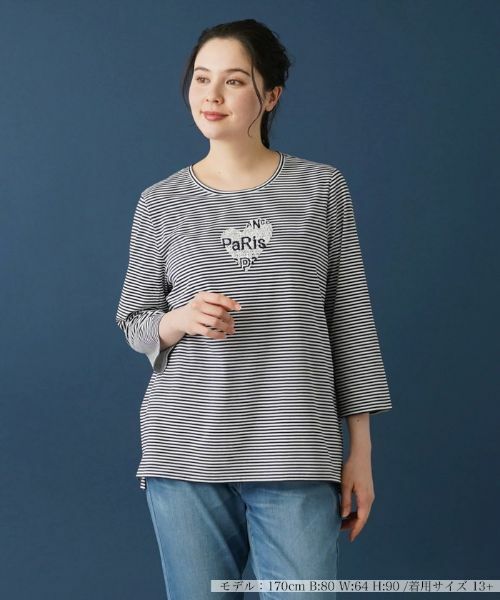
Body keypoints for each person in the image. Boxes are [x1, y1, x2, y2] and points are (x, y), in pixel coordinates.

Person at [115, 18, 392, 600]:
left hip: (297, 452)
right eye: (201, 78)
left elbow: (350, 320)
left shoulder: (321, 189)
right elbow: (136, 322)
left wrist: (361, 452)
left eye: (234, 80)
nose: (212, 95)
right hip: (185, 450)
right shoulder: (161, 201)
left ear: (270, 96)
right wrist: (180, 319)